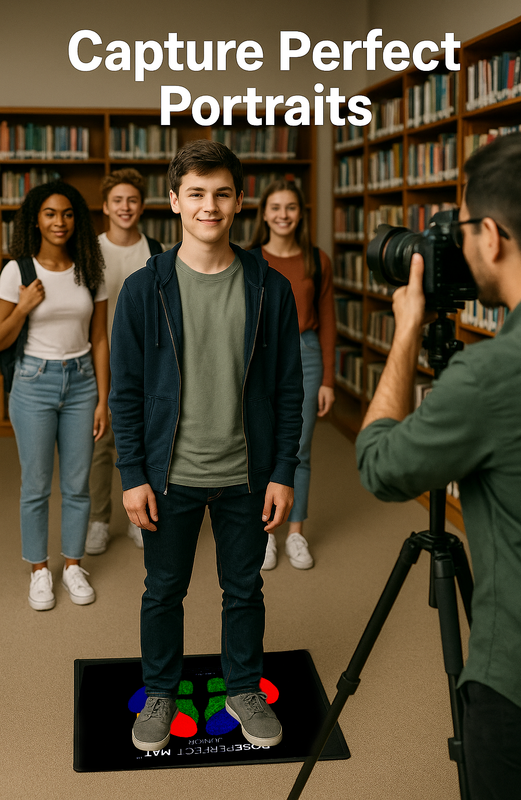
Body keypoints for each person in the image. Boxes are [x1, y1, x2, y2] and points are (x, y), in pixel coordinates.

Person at [108, 139, 303, 752]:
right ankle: (160, 690)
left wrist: (284, 471)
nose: (209, 206)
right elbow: (126, 392)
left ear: (240, 201)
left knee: (244, 589)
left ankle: (243, 686)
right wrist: (132, 474)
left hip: (247, 473)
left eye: (222, 193)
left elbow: (289, 389)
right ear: (174, 201)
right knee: (163, 590)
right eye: (195, 193)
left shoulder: (270, 288)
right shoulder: (144, 289)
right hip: (170, 474)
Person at [356, 132, 521, 799]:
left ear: (491, 236)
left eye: (460, 229)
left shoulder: (492, 374)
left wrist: (406, 329)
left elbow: (380, 465)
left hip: (518, 680)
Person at [0, 180, 109, 610]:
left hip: (82, 382)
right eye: (49, 213)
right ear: (35, 220)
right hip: (33, 383)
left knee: (78, 484)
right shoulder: (17, 271)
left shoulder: (90, 268)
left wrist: (103, 398)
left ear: (76, 219)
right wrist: (24, 307)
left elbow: (99, 338)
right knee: (36, 486)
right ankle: (39, 570)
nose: (59, 221)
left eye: (67, 213)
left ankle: (73, 565)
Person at [249, 179, 335, 571]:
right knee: (260, 445)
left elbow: (328, 321)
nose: (283, 215)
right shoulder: (249, 259)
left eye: (291, 207)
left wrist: (329, 379)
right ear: (264, 214)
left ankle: (296, 531)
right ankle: (267, 530)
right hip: (260, 354)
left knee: (298, 448)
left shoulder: (317, 260)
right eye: (276, 207)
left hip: (306, 352)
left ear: (300, 214)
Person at [85, 168, 162, 556]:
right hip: (99, 356)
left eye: (132, 200)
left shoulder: (156, 250)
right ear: (105, 207)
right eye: (117, 200)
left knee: (146, 439)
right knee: (102, 442)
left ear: (142, 206)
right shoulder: (91, 250)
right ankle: (99, 520)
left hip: (147, 359)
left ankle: (139, 517)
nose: (125, 207)